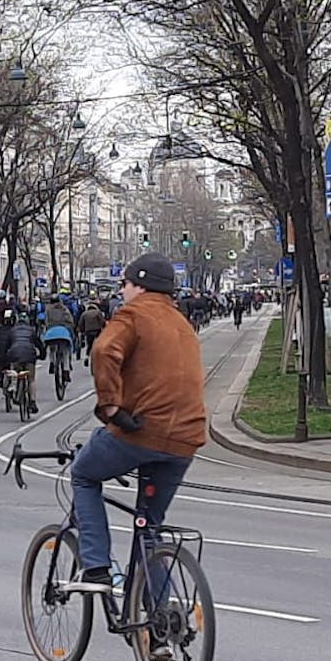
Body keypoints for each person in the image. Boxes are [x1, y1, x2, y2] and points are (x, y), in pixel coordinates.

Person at [67, 252, 206, 596]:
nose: (122, 290)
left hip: (140, 431)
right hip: (185, 440)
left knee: (84, 475)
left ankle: (96, 566)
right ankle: (161, 622)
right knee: (149, 527)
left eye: (124, 284)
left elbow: (103, 352)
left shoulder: (132, 315)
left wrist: (112, 408)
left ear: (138, 286)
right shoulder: (182, 323)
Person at [0, 307, 40, 413]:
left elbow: (5, 345)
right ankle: (32, 401)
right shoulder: (31, 330)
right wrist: (42, 354)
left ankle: (13, 386)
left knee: (14, 370)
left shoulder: (11, 331)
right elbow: (39, 344)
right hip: (29, 355)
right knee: (31, 379)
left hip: (14, 354)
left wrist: (4, 355)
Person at [42, 294, 76, 382]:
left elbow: (46, 321)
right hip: (63, 333)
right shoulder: (64, 309)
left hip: (51, 333)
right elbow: (70, 320)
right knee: (65, 352)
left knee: (52, 348)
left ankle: (52, 363)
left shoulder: (48, 309)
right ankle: (66, 371)